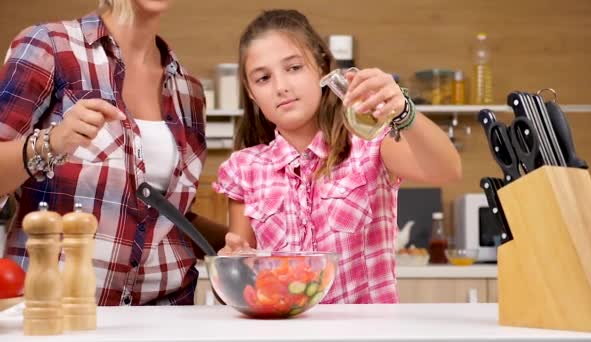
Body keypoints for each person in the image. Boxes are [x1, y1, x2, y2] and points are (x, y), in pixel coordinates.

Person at [214, 9, 462, 303]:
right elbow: (244, 284)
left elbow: (447, 169)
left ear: (321, 66)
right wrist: (233, 263)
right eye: (264, 78)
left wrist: (403, 112)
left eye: (293, 68)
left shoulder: (371, 144)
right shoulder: (245, 169)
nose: (281, 87)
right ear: (251, 92)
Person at [0, 0, 227, 305]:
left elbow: (165, 216)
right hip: (60, 311)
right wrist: (53, 142)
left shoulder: (189, 91)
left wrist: (243, 246)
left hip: (168, 313)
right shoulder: (50, 46)